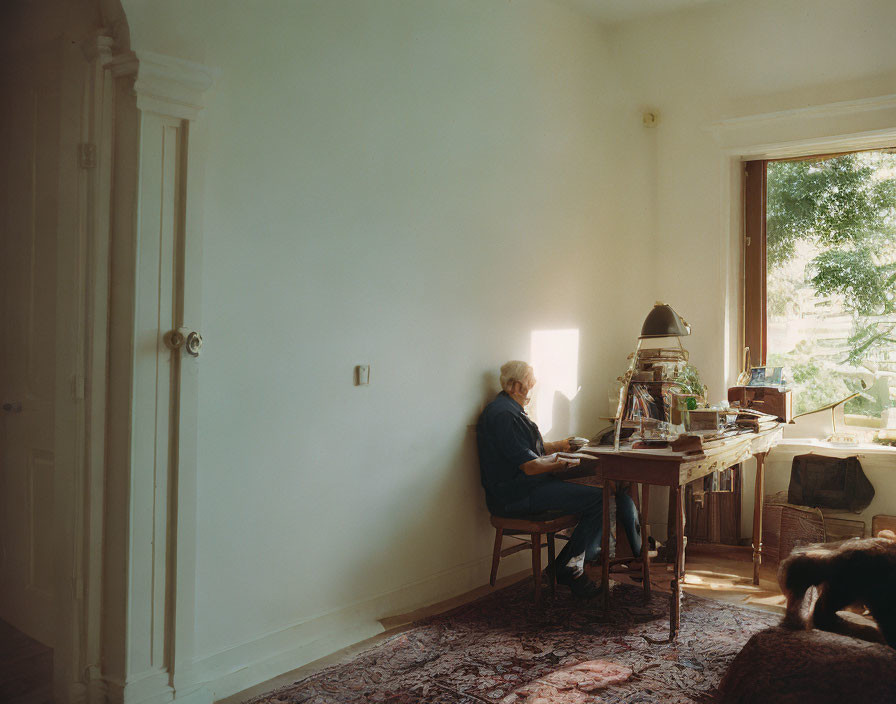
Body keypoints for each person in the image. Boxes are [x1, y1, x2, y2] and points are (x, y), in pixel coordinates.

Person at [476, 360, 642, 597]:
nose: (533, 389)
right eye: (529, 384)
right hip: (516, 495)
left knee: (602, 496)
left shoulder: (509, 410)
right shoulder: (504, 416)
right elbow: (530, 466)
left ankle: (564, 565)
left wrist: (563, 446)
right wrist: (566, 462)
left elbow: (531, 449)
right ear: (515, 387)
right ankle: (568, 567)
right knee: (602, 500)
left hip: (527, 488)